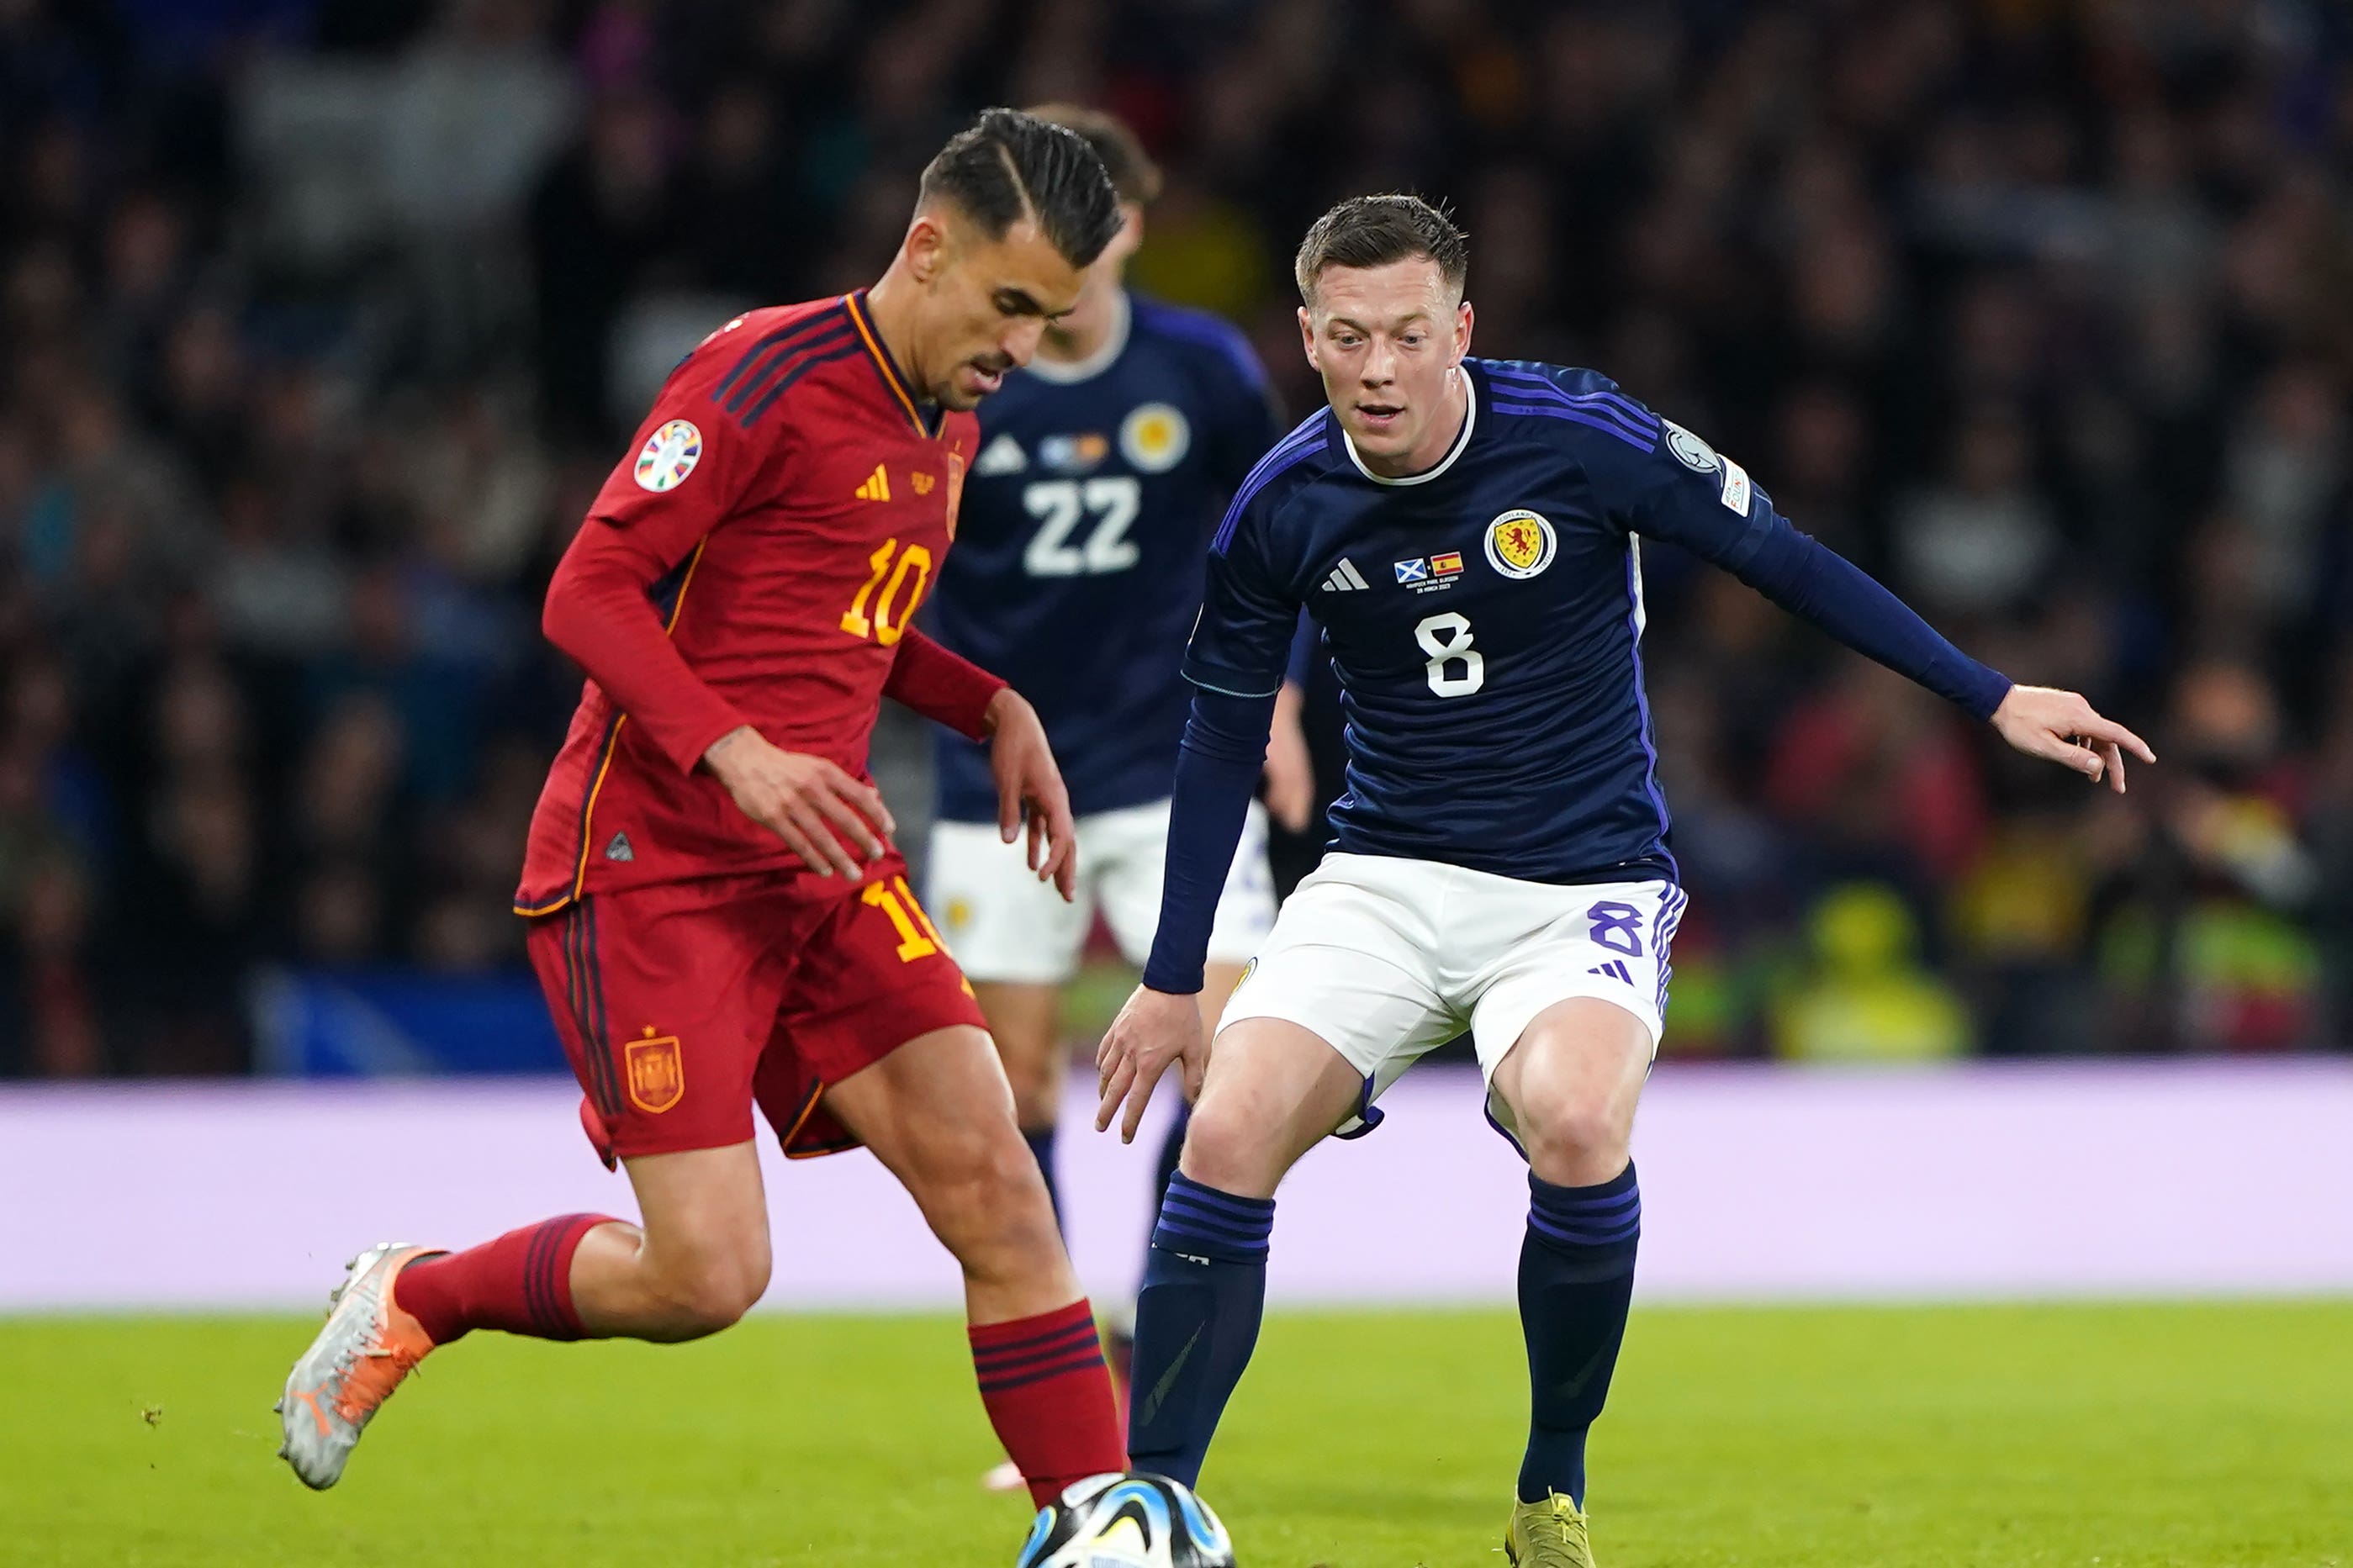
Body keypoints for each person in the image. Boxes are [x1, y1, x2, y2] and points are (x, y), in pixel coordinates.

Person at [1092, 195, 2154, 1567]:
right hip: (1380, 877)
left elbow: (1783, 559)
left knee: (1580, 1126)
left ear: (1458, 331)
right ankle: (1149, 1505)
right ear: (1305, 337)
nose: (1376, 369)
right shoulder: (1280, 503)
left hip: (1574, 884)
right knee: (1224, 1131)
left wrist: (1986, 691)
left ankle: (1549, 1488)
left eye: (1407, 335)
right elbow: (1222, 729)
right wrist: (1173, 972)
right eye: (1346, 338)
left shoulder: (1582, 436)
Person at [278, 109, 1131, 1511]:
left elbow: (844, 623)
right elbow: (586, 588)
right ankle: (416, 1293)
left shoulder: (949, 421)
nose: (1021, 348)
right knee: (706, 1277)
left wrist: (991, 706)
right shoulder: (761, 372)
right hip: (653, 862)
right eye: (1008, 305)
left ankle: (1096, 1529)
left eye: (1049, 317)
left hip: (822, 860)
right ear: (927, 250)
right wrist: (735, 752)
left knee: (997, 1185)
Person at [921, 108, 1312, 1470]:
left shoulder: (1202, 371)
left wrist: (1284, 698)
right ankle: (1062, 1364)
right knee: (1006, 1079)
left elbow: (1278, 543)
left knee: (1226, 1055)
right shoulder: (976, 370)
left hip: (1174, 762)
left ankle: (1152, 1344)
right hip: (997, 780)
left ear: (1133, 227)